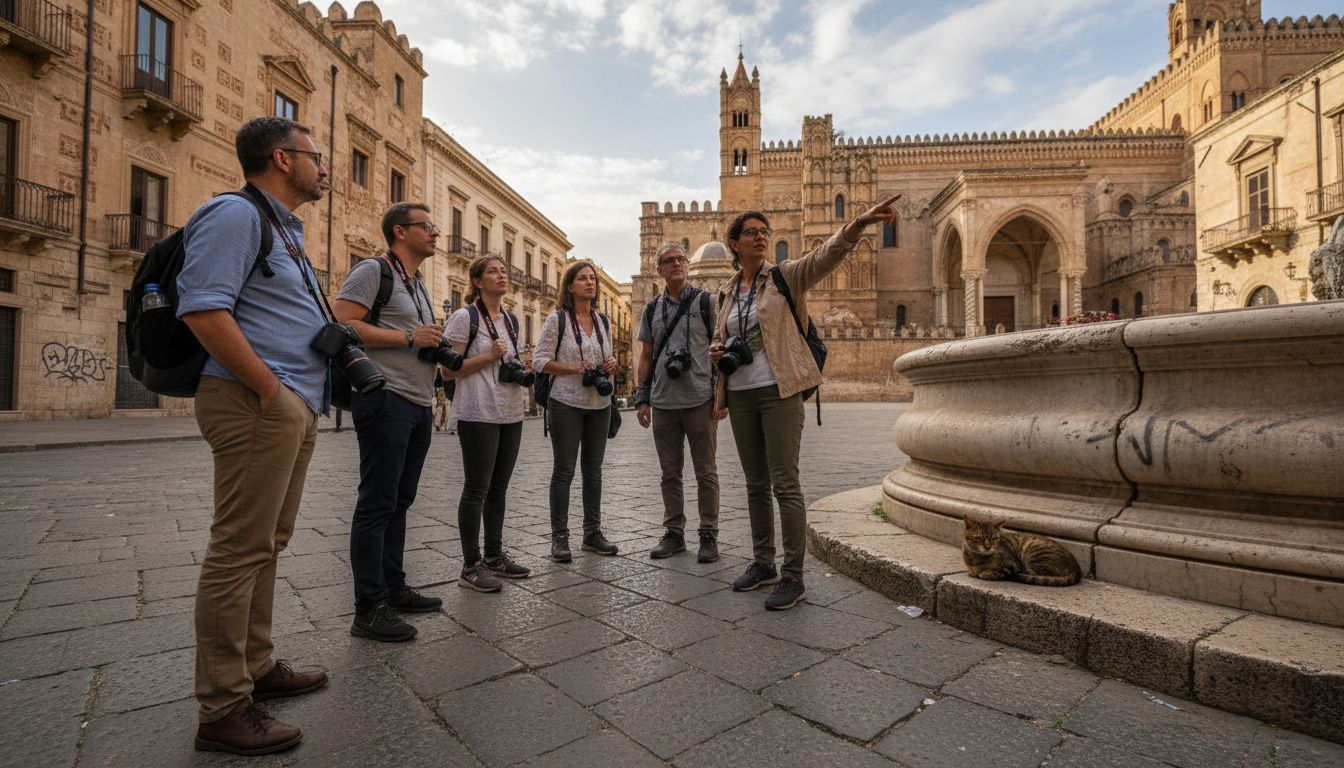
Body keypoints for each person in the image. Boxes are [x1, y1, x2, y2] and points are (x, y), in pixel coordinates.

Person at [178, 116, 331, 754]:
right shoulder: (235, 215)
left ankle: (257, 667)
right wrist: (272, 392)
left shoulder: (282, 228)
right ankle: (222, 705)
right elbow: (203, 308)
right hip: (254, 401)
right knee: (239, 547)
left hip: (286, 403)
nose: (324, 167)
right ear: (281, 158)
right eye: (315, 156)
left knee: (268, 541)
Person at [712, 194, 901, 611]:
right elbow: (721, 335)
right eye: (751, 233)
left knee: (785, 482)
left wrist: (858, 224)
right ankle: (763, 564)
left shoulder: (784, 276)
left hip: (779, 389)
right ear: (735, 243)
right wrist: (717, 352)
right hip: (741, 393)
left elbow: (825, 256)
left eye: (765, 232)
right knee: (755, 483)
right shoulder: (725, 292)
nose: (761, 238)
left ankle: (793, 574)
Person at [333, 203, 445, 642]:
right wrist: (409, 337)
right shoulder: (372, 271)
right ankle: (368, 607)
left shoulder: (415, 282)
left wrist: (428, 341)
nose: (435, 232)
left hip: (417, 401)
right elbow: (342, 321)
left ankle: (394, 587)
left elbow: (413, 336)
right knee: (377, 502)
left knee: (400, 500)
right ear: (400, 231)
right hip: (384, 398)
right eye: (427, 226)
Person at [443, 254, 533, 591]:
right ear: (477, 281)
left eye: (504, 270)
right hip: (477, 410)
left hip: (510, 410)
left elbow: (506, 362)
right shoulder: (463, 318)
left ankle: (495, 556)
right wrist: (488, 357)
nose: (501, 275)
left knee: (499, 487)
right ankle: (471, 565)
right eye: (493, 271)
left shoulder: (510, 319)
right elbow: (448, 370)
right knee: (476, 488)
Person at [635, 243, 722, 562]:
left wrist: (721, 396)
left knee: (706, 472)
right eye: (668, 261)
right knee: (669, 473)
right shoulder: (651, 309)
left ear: (688, 265)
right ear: (658, 270)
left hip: (700, 399)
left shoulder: (706, 303)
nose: (676, 265)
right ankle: (674, 533)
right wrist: (642, 397)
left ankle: (708, 535)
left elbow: (720, 349)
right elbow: (646, 355)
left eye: (680, 260)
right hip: (663, 402)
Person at [533, 261, 621, 562]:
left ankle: (592, 533)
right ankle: (560, 538)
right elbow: (539, 361)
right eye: (582, 278)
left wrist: (611, 365)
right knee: (564, 470)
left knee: (593, 471)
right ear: (570, 286)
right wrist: (572, 367)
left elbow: (608, 358)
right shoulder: (557, 320)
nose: (590, 283)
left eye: (592, 278)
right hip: (566, 402)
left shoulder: (603, 322)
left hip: (599, 404)